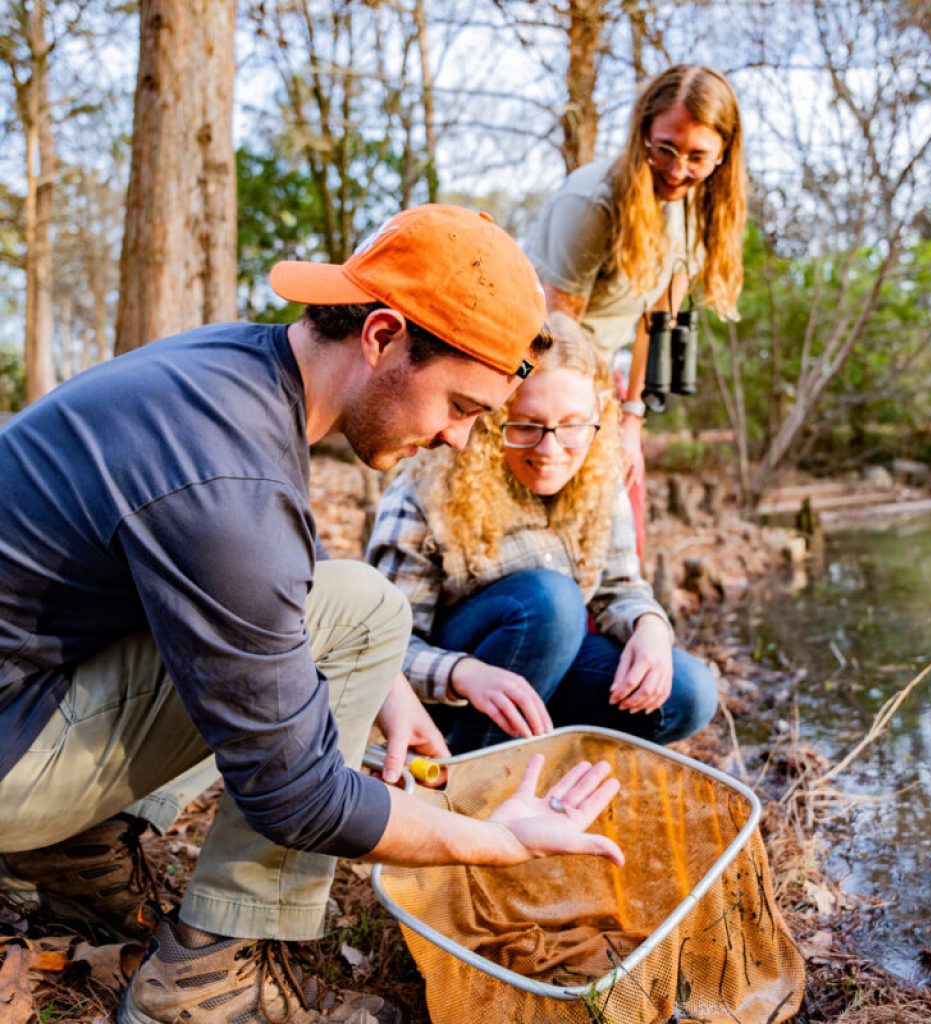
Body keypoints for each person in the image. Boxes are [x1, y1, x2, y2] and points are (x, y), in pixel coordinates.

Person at [0, 205, 627, 1024]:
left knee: (352, 612)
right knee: (364, 606)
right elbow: (297, 797)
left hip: (25, 690)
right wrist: (497, 841)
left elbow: (253, 583)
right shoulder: (234, 485)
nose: (460, 442)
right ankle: (202, 985)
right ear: (381, 336)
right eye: (464, 407)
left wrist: (384, 684)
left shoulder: (232, 370)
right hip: (13, 752)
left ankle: (70, 851)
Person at [366, 313, 718, 756]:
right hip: (455, 695)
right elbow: (382, 648)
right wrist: (463, 674)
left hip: (551, 679)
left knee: (689, 691)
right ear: (494, 421)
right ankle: (479, 775)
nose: (550, 451)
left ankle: (548, 757)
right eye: (527, 425)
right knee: (552, 601)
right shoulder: (425, 489)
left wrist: (649, 627)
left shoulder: (601, 475)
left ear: (599, 416)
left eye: (572, 426)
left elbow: (620, 589)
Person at [523, 64, 747, 556]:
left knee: (625, 527)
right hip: (540, 377)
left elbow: (657, 320)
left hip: (607, 380)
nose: (676, 169)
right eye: (664, 148)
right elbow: (558, 337)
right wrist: (584, 425)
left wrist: (631, 419)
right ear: (642, 131)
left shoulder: (695, 210)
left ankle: (624, 624)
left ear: (722, 155)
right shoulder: (594, 204)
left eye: (696, 156)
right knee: (567, 531)